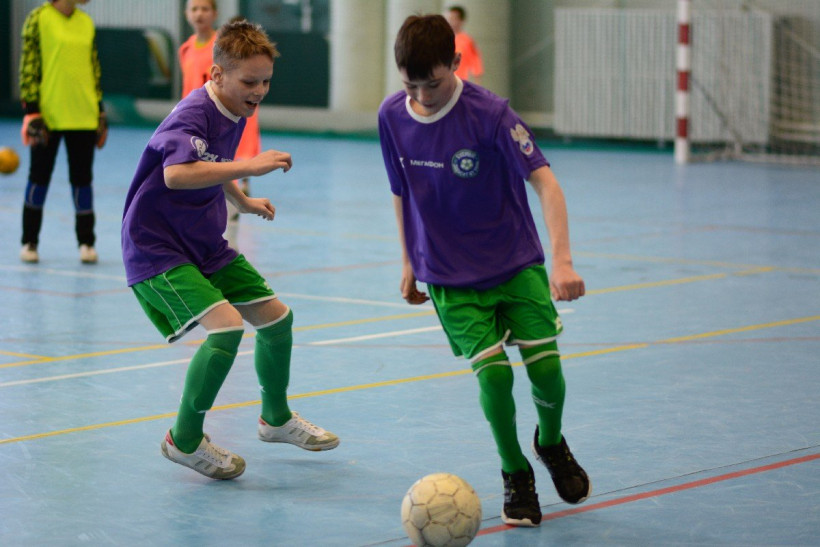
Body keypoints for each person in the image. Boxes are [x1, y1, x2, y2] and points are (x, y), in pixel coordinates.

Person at [378, 14, 590, 527]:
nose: (422, 96)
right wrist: (408, 260)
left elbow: (546, 183)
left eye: (433, 83)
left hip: (514, 263)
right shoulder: (391, 117)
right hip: (448, 275)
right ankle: (514, 470)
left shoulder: (492, 114)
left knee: (546, 372)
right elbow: (401, 190)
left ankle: (550, 441)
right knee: (494, 377)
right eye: (410, 85)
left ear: (455, 62)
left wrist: (562, 261)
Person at [122, 20, 339, 480]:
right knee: (225, 328)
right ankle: (183, 440)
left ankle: (275, 419)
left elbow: (213, 164)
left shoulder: (234, 108)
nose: (259, 91)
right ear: (217, 74)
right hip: (157, 246)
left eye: (266, 82)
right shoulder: (193, 113)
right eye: (250, 82)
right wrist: (250, 167)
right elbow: (176, 174)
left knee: (277, 320)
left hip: (203, 242)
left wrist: (241, 199)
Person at [18, 0, 108, 264]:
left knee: (82, 180)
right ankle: (29, 241)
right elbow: (28, 67)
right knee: (38, 178)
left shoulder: (86, 22)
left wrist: (99, 111)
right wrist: (31, 110)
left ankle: (86, 242)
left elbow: (93, 69)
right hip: (47, 117)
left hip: (83, 115)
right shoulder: (38, 18)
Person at [179, 0, 260, 235]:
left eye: (204, 9)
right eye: (194, 9)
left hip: (221, 121)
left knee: (225, 172)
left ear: (214, 14)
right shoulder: (185, 49)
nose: (199, 14)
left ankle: (228, 224)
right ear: (187, 14)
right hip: (195, 124)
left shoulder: (224, 48)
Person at [445, 5, 483, 84]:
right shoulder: (442, 39)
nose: (450, 21)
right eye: (449, 18)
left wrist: (476, 85)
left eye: (453, 19)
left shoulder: (467, 41)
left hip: (460, 83)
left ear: (461, 20)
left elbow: (476, 67)